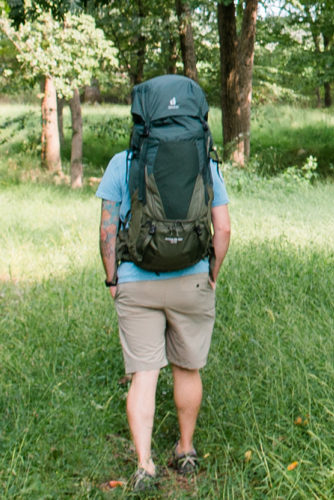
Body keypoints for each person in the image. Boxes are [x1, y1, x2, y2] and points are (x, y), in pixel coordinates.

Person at [97, 149, 231, 491]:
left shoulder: (122, 162)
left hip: (136, 281)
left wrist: (113, 278)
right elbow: (224, 228)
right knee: (187, 368)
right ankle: (186, 451)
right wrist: (212, 273)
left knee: (143, 373)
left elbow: (107, 229)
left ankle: (144, 464)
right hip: (193, 280)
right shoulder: (203, 161)